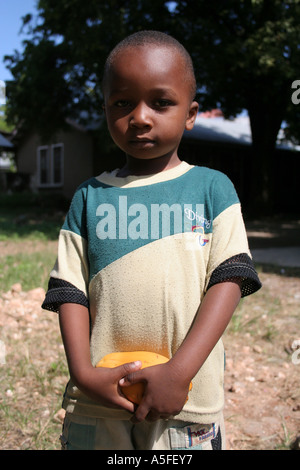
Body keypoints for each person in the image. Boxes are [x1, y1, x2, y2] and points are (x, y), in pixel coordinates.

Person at [42, 30, 261, 450]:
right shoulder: (89, 197)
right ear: (105, 109)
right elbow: (69, 290)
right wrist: (84, 375)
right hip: (101, 400)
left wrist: (179, 372)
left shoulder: (213, 189)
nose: (140, 117)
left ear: (191, 113)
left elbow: (229, 278)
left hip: (184, 400)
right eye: (122, 102)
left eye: (160, 102)